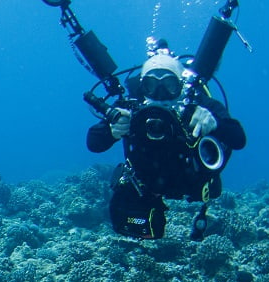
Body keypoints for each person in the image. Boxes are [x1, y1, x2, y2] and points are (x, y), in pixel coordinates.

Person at [86, 42, 246, 240]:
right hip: (147, 185)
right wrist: (112, 130)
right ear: (142, 87)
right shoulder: (131, 108)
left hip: (192, 183)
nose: (160, 93)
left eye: (169, 84)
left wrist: (214, 123)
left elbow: (238, 139)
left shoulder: (199, 105)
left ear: (181, 85)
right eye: (151, 85)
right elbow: (93, 143)